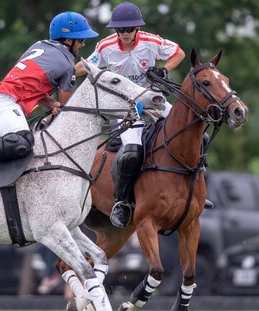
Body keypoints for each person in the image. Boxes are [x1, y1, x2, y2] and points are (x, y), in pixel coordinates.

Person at [0, 12, 98, 189]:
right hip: (6, 105)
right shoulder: (67, 63)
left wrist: (52, 104)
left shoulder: (39, 46)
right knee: (23, 141)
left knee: (22, 150)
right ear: (68, 40)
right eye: (81, 40)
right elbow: (68, 107)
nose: (83, 44)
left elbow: (31, 86)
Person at [75, 2, 187, 228]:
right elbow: (85, 67)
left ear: (137, 28)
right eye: (120, 30)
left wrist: (165, 70)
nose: (125, 34)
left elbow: (179, 52)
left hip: (154, 99)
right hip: (126, 106)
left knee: (188, 131)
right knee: (133, 153)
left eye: (129, 29)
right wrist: (66, 70)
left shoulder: (151, 41)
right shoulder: (106, 47)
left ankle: (196, 191)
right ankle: (122, 203)